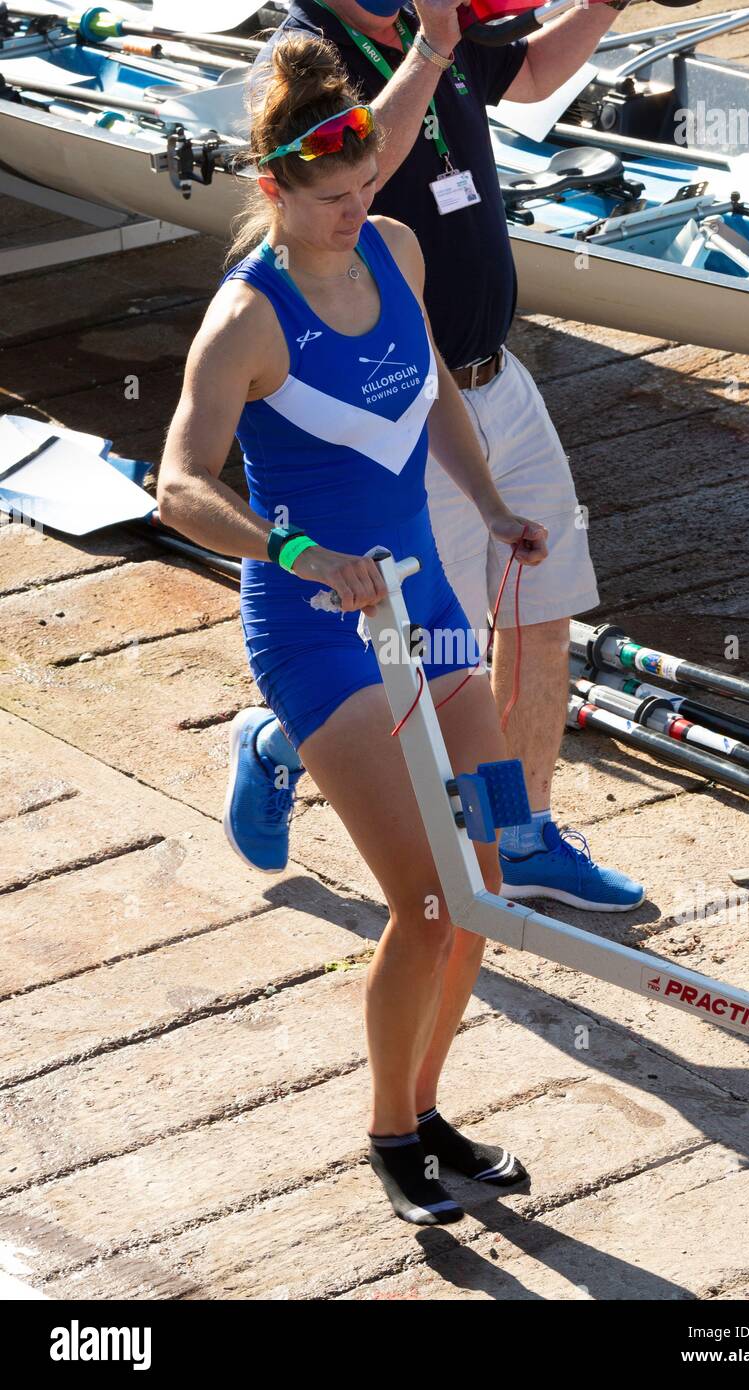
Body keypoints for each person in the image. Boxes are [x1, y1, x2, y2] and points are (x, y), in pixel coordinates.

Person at [158, 32, 551, 1223]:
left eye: (367, 187)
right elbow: (177, 485)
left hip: (427, 613)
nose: (357, 212)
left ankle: (427, 1109)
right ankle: (389, 1137)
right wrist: (295, 549)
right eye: (334, 198)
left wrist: (490, 507)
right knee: (426, 903)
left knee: (486, 880)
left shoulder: (395, 249)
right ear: (274, 189)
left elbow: (430, 389)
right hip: (319, 632)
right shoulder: (245, 321)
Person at [224, 0, 646, 912]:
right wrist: (429, 46)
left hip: (498, 377)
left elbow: (528, 75)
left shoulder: (436, 27)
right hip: (397, 410)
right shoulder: (308, 52)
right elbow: (369, 156)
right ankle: (278, 739)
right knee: (417, 656)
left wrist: (605, 5)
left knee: (543, 606)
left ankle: (522, 833)